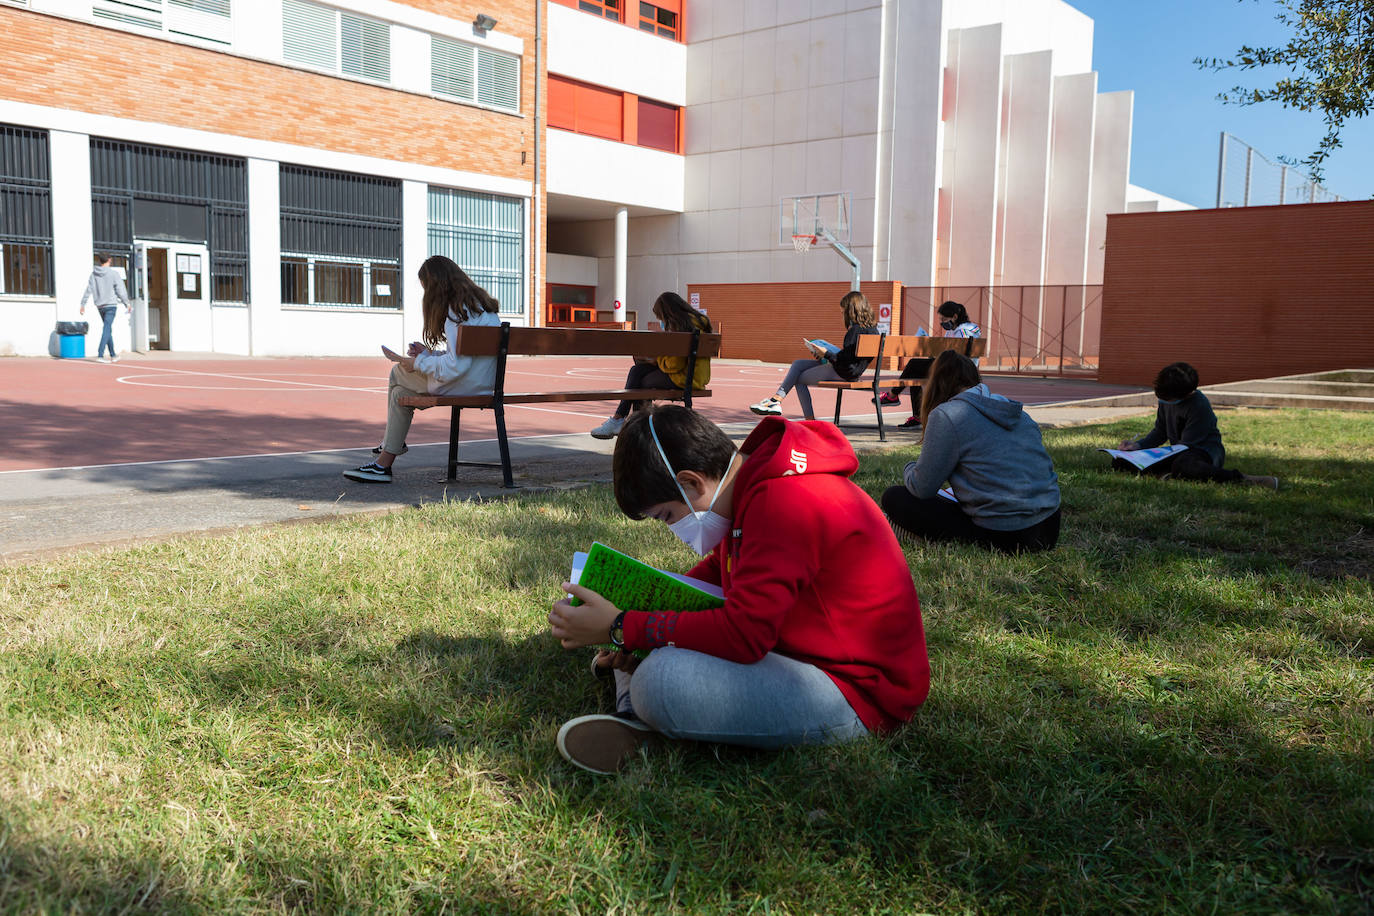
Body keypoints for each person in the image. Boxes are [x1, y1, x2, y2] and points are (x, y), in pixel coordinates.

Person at [548, 405, 930, 775]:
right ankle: (637, 714)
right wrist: (633, 619)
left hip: (860, 692)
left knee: (661, 679)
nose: (671, 528)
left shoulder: (784, 501)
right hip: (805, 657)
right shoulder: (753, 489)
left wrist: (623, 626)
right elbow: (717, 573)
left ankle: (637, 712)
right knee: (657, 647)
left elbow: (746, 635)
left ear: (690, 482)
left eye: (667, 516)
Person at [881, 350, 1061, 553]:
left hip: (1008, 535)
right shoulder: (1016, 411)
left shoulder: (948, 415)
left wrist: (910, 467)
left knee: (894, 497)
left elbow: (922, 488)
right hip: (1050, 526)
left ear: (935, 384)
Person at [343, 256, 501, 483]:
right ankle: (383, 463)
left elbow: (455, 368)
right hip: (482, 384)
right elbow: (464, 359)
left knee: (398, 372)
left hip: (463, 385)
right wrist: (428, 354)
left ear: (436, 285)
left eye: (426, 287)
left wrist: (416, 362)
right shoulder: (483, 309)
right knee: (400, 395)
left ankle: (391, 442)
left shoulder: (456, 312)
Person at [1115, 362, 1279, 489]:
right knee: (1121, 462)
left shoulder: (1199, 405)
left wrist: (1152, 457)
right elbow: (1160, 431)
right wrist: (1137, 446)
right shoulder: (1166, 398)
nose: (1164, 401)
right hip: (1177, 452)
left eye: (1168, 399)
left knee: (1184, 465)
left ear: (1187, 394)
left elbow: (1187, 445)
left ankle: (1244, 479)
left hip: (1201, 452)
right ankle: (1169, 473)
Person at [589, 292, 712, 439]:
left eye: (660, 317)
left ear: (667, 313)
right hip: (696, 377)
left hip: (683, 378)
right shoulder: (699, 322)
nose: (661, 322)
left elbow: (674, 365)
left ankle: (633, 427)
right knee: (637, 371)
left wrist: (655, 360)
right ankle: (621, 420)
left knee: (639, 382)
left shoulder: (679, 326)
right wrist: (655, 360)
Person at [748, 290, 879, 420]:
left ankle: (808, 419)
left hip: (843, 372)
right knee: (798, 364)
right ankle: (775, 400)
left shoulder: (854, 331)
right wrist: (824, 355)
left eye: (843, 311)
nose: (842, 314)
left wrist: (825, 354)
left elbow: (843, 361)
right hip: (851, 371)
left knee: (798, 379)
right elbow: (850, 357)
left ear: (851, 310)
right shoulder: (874, 331)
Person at [879, 300, 981, 430]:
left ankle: (895, 397)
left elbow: (953, 355)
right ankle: (910, 410)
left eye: (944, 318)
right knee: (914, 374)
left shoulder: (960, 332)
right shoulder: (970, 328)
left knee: (913, 364)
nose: (942, 322)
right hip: (965, 368)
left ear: (955, 317)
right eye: (940, 319)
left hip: (955, 368)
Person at [79, 253, 131, 363]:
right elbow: (121, 291)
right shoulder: (114, 274)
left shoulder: (94, 274)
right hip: (111, 305)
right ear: (109, 260)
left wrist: (83, 304)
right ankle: (100, 354)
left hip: (100, 306)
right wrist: (127, 303)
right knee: (106, 328)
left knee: (107, 329)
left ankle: (113, 355)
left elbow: (89, 289)